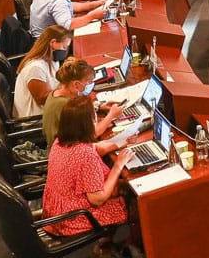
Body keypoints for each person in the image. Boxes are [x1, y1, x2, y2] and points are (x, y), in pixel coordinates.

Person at [40, 96, 131, 244]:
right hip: (72, 219)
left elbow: (96, 148)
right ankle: (107, 247)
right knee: (132, 197)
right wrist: (118, 165)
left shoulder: (60, 142)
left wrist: (122, 141)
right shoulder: (85, 155)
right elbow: (98, 199)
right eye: (95, 118)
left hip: (55, 210)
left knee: (121, 185)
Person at [40, 58, 120, 148]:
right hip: (67, 152)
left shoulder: (57, 92)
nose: (91, 85)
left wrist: (99, 107)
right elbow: (92, 135)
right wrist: (111, 115)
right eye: (89, 82)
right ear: (76, 84)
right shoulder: (67, 105)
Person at [14, 25, 71, 119]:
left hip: (49, 107)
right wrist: (68, 90)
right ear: (53, 42)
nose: (65, 51)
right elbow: (43, 99)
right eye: (64, 47)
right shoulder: (36, 68)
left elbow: (57, 82)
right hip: (35, 119)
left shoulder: (52, 59)